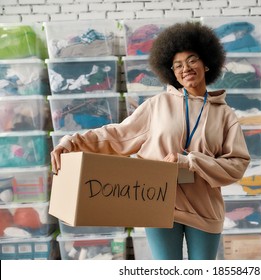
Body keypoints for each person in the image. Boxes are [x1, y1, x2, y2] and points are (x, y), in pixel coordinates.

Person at [50, 21, 250, 260]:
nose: (185, 68)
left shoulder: (225, 114)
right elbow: (117, 135)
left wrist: (191, 161)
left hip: (205, 210)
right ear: (171, 72)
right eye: (177, 65)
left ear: (207, 63)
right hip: (158, 206)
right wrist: (71, 141)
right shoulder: (157, 105)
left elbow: (237, 164)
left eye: (192, 60)